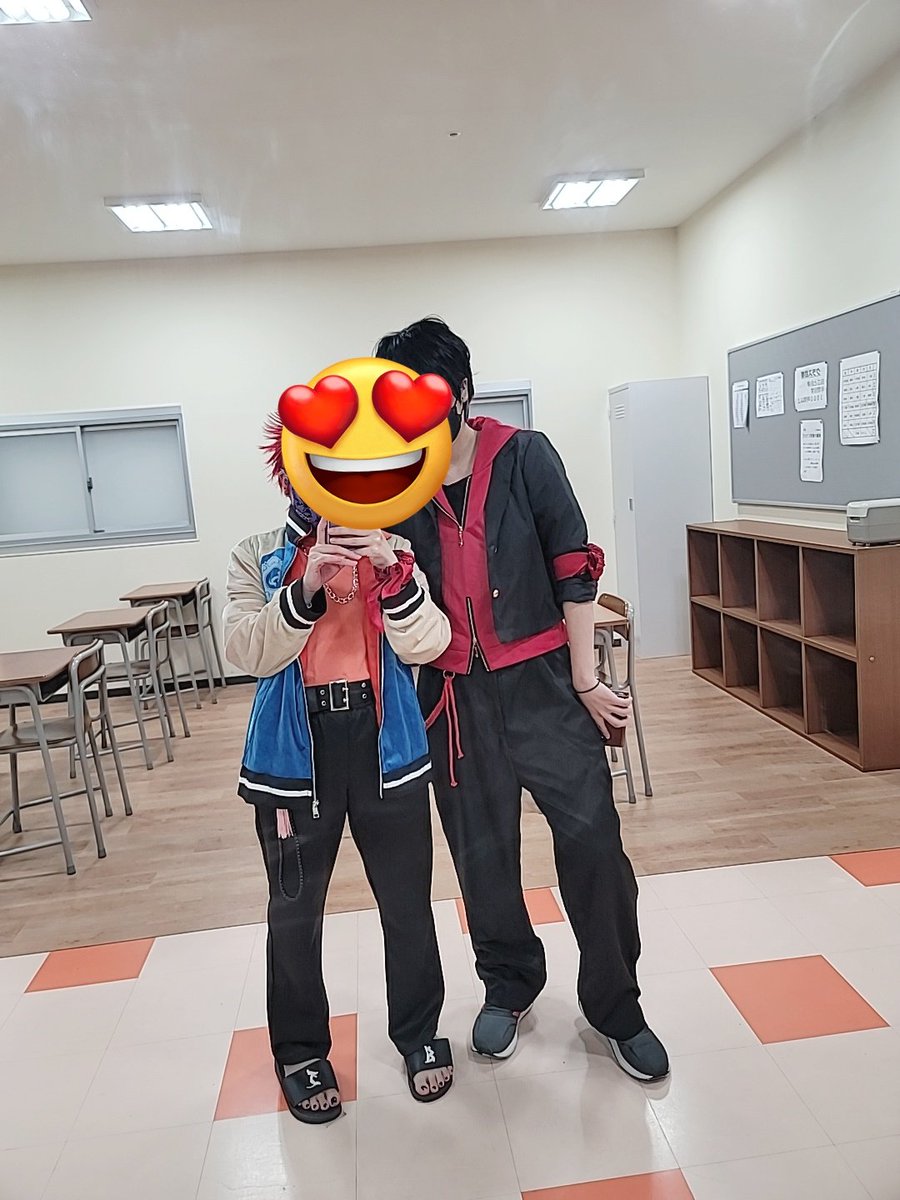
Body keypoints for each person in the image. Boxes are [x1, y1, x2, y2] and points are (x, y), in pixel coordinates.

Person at [376, 317, 669, 1080]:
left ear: (460, 392)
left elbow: (574, 567)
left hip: (543, 684)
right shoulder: (398, 489)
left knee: (594, 841)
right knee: (481, 856)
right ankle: (509, 984)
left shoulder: (525, 456)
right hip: (452, 697)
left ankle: (617, 1006)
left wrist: (586, 680)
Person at [223, 446, 455, 1124]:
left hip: (386, 743)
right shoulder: (257, 554)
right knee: (295, 910)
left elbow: (428, 643)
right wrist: (302, 590)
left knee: (407, 902)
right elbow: (243, 650)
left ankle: (418, 1032)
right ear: (292, 472)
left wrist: (391, 568)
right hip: (294, 754)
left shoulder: (395, 548)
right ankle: (299, 1051)